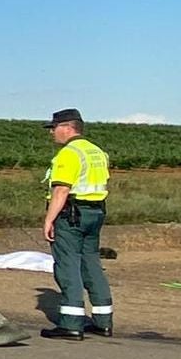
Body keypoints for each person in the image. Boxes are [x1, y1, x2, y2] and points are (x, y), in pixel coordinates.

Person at [39, 109, 113, 341]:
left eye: (54, 127)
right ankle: (103, 321)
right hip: (96, 212)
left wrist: (49, 219)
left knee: (68, 264)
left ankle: (71, 323)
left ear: (68, 128)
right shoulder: (97, 151)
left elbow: (61, 189)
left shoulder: (69, 153)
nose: (52, 132)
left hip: (71, 215)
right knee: (91, 262)